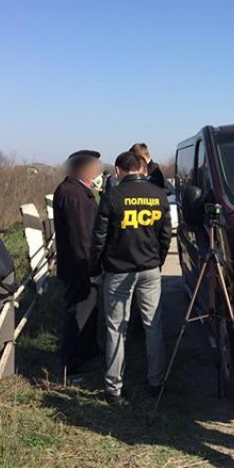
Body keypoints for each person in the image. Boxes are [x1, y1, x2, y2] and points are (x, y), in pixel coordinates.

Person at [92, 151, 172, 406]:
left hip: (118, 270)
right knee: (154, 325)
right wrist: (156, 261)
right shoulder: (159, 195)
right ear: (143, 169)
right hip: (150, 269)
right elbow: (165, 235)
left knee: (116, 328)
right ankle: (156, 382)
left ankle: (113, 388)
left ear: (117, 171)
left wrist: (96, 266)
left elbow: (99, 238)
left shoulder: (112, 196)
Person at [52, 150, 104, 376]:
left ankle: (88, 350)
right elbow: (82, 235)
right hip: (79, 265)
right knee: (78, 312)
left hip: (79, 263)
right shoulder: (73, 194)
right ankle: (72, 364)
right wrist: (91, 267)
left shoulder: (77, 189)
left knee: (89, 309)